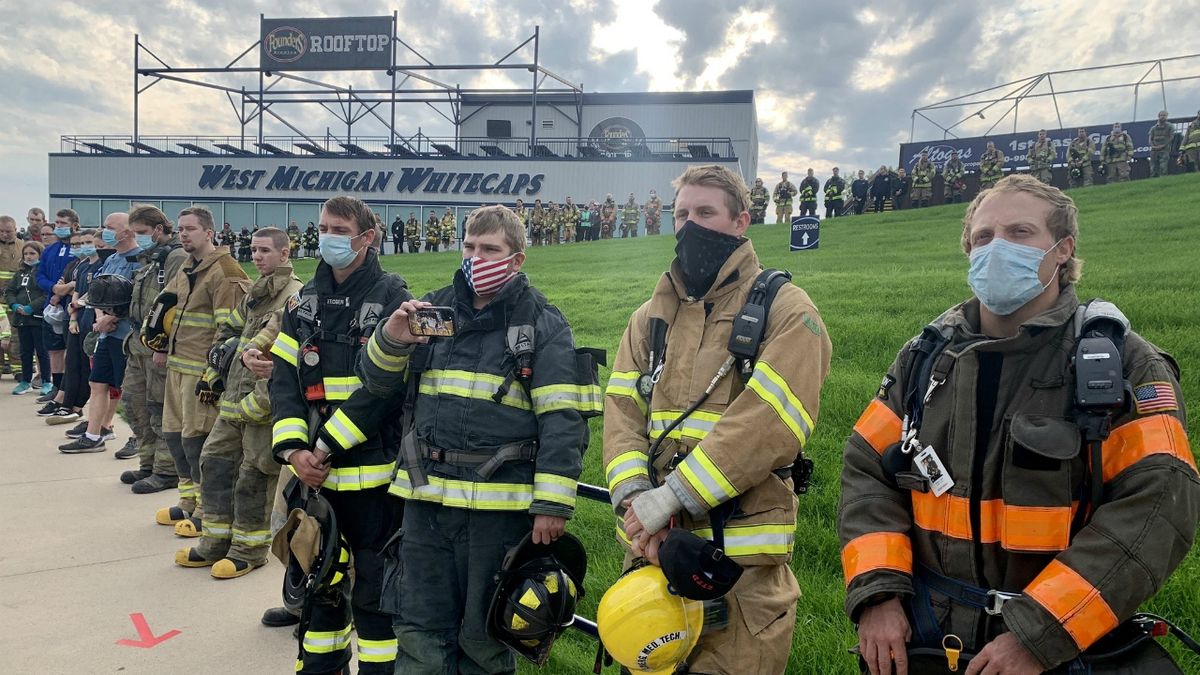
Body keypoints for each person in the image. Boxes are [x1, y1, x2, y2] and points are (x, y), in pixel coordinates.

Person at [838, 174, 1199, 675]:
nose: (997, 247)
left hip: (1062, 649)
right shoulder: (926, 358)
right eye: (983, 237)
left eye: (1020, 232)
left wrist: (1039, 635)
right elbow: (866, 469)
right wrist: (879, 595)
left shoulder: (1120, 364)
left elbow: (1158, 508)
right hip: (926, 632)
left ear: (1062, 250)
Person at [604, 164, 832, 674]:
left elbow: (771, 422)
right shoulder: (649, 317)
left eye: (706, 212)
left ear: (741, 222)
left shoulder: (788, 310)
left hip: (739, 577)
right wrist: (636, 501)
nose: (690, 225)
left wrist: (673, 496)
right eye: (682, 213)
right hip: (651, 562)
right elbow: (621, 415)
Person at [358, 204, 597, 674]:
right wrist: (391, 338)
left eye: (491, 249)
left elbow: (563, 421)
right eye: (470, 246)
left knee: (485, 638)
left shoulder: (543, 324)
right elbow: (377, 384)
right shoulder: (430, 309)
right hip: (425, 503)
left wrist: (552, 504)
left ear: (517, 259)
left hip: (497, 512)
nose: (477, 257)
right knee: (419, 629)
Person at [270, 196, 409, 674]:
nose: (327, 235)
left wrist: (323, 446)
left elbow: (383, 392)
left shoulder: (392, 297)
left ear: (366, 238)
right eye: (323, 226)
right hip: (313, 481)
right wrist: (292, 450)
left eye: (339, 228)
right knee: (320, 588)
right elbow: (284, 380)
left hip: (373, 480)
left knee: (374, 593)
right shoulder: (302, 302)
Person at [174, 227, 302, 577]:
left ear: (284, 255)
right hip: (232, 402)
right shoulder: (256, 293)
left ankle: (249, 549)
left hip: (260, 407)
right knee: (214, 463)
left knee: (253, 477)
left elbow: (269, 351)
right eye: (254, 250)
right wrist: (220, 359)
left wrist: (255, 396)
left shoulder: (293, 297)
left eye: (264, 251)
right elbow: (230, 332)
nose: (257, 256)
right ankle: (214, 541)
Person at [151, 207, 249, 533]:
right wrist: (159, 342)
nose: (183, 235)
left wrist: (214, 374)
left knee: (200, 443)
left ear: (209, 233)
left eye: (190, 229)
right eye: (180, 229)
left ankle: (209, 509)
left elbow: (230, 332)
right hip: (177, 367)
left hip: (200, 374)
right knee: (175, 438)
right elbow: (169, 310)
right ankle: (187, 501)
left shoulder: (225, 271)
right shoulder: (186, 267)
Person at [60, 212, 145, 453]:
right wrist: (100, 319)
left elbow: (139, 299)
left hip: (126, 337)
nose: (104, 231)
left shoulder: (140, 260)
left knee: (130, 390)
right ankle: (94, 434)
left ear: (127, 232)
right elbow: (97, 292)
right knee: (97, 383)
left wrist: (112, 318)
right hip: (106, 335)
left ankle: (139, 437)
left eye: (109, 227)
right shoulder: (112, 259)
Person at [122, 205, 187, 493]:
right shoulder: (151, 259)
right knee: (135, 405)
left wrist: (163, 345)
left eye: (143, 233)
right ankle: (147, 463)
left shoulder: (176, 257)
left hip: (157, 349)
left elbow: (174, 306)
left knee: (160, 410)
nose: (139, 238)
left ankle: (166, 470)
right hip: (138, 345)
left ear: (159, 229)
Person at [42, 229, 100, 425]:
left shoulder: (100, 265)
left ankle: (77, 406)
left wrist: (78, 304)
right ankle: (67, 404)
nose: (84, 246)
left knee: (86, 368)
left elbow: (93, 292)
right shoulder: (82, 266)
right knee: (73, 363)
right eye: (81, 243)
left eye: (88, 242)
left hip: (91, 320)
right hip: (77, 320)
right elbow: (76, 292)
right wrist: (73, 315)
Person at [38, 209, 78, 399]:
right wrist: (53, 289)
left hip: (71, 305)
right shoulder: (50, 250)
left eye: (63, 223)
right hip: (51, 306)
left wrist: (63, 293)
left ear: (74, 225)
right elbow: (40, 276)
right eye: (57, 223)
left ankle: (67, 388)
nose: (59, 227)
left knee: (70, 349)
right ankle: (56, 386)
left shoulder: (78, 248)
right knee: (54, 348)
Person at [6, 241, 50, 395]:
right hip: (21, 319)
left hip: (37, 318)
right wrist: (14, 305)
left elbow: (47, 294)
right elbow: (9, 291)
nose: (29, 257)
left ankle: (46, 381)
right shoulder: (19, 273)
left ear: (40, 254)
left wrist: (32, 307)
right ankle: (25, 381)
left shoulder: (43, 272)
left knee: (42, 351)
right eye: (26, 254)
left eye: (32, 253)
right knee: (25, 351)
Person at [0, 215, 23, 379]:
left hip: (15, 298)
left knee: (16, 335)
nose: (4, 234)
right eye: (1, 231)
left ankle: (18, 369)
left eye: (8, 231)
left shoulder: (22, 247)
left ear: (15, 230)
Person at [1148, 110, 1173, 178]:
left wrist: (1163, 145)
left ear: (1167, 117)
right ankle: (1153, 180)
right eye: (1161, 115)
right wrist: (1153, 146)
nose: (1163, 117)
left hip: (1164, 149)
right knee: (1153, 167)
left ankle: (1163, 178)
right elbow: (1150, 139)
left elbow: (1171, 137)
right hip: (1154, 150)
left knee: (1163, 166)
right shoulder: (1153, 128)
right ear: (1158, 116)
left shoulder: (1170, 126)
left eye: (1164, 115)